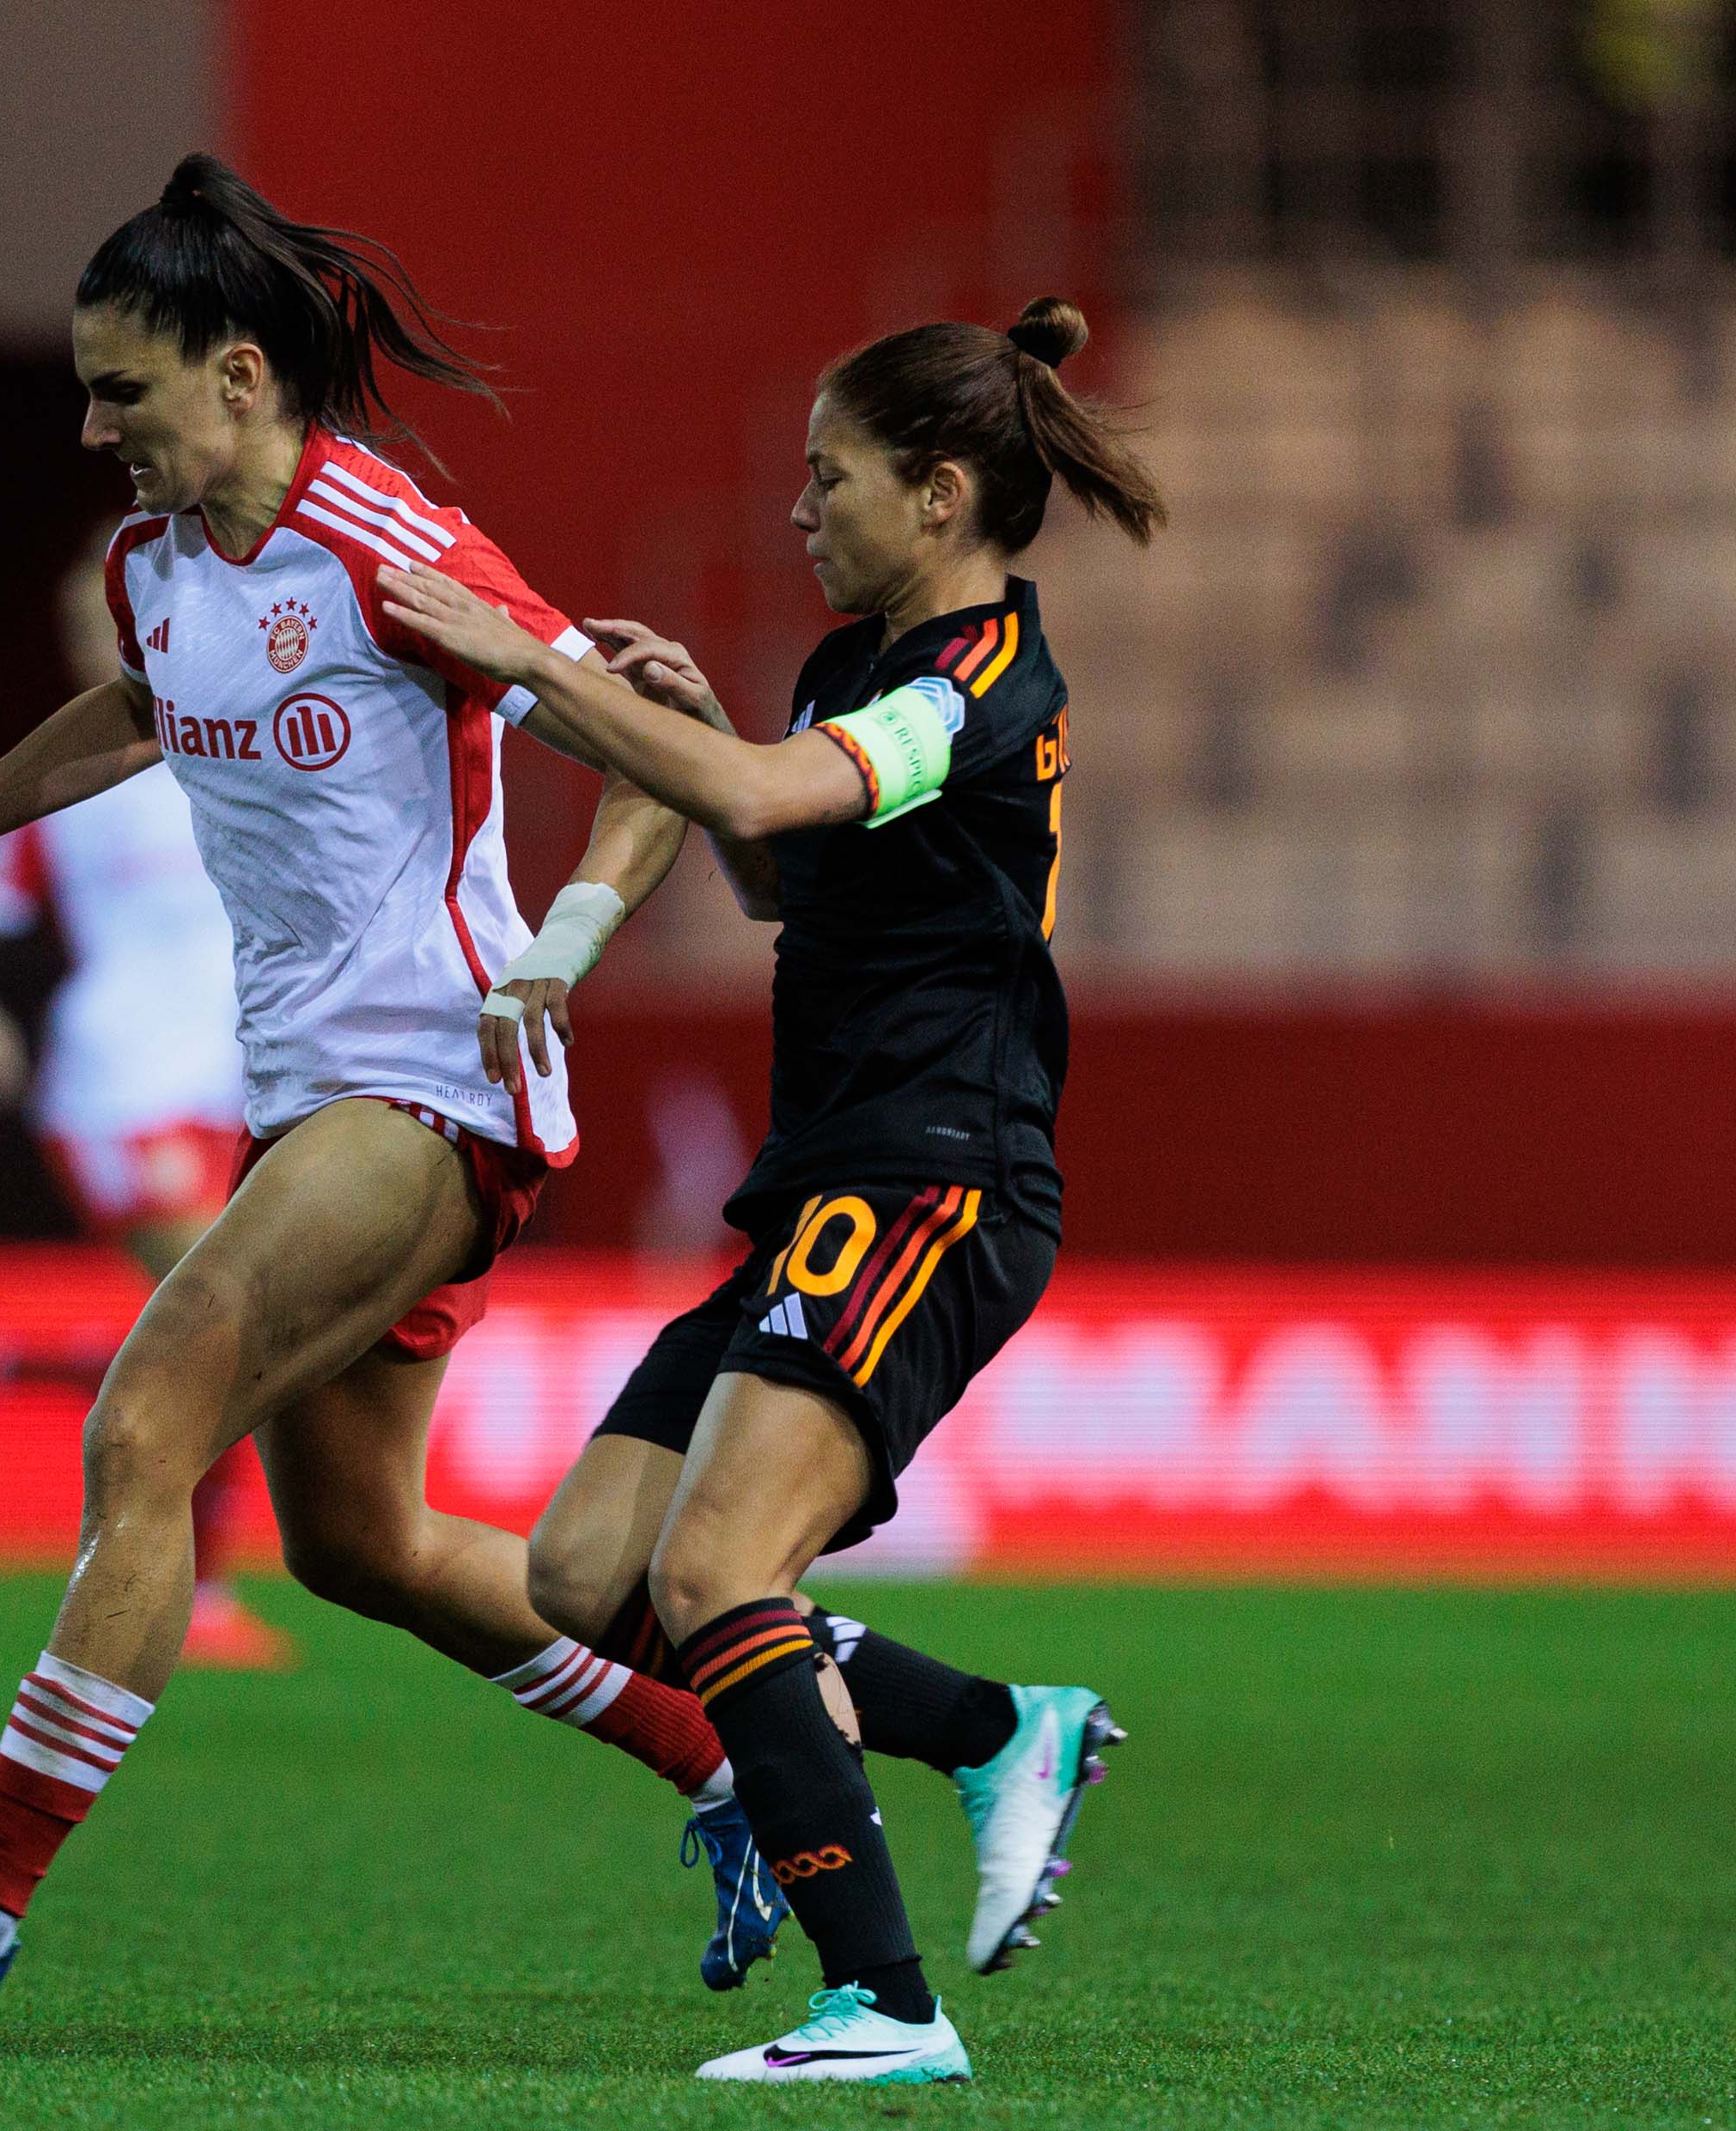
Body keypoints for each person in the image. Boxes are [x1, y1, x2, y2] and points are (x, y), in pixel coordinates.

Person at [0, 155, 779, 2026]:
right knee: (360, 1545)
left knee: (147, 1427)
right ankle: (736, 1767)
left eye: (120, 388)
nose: (92, 426)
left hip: (435, 1084)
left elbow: (656, 747)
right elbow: (137, 710)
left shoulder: (385, 543)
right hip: (311, 1089)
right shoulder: (160, 573)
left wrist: (558, 947)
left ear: (237, 375)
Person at [376, 296, 1166, 2085]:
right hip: (828, 1173)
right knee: (593, 1567)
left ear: (942, 492)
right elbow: (773, 871)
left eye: (831, 476)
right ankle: (987, 1722)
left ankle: (884, 2005)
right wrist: (696, 728)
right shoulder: (853, 673)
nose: (799, 507)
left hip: (929, 1173)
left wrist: (530, 661)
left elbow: (745, 788)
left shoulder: (974, 684)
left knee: (726, 1562)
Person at [0, 529, 293, 1671]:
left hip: (232, 1082)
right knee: (226, 1322)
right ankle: (200, 1596)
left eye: (116, 617)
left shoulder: (245, 748)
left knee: (225, 1329)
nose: (104, 642)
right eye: (84, 627)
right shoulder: (67, 784)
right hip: (118, 1087)